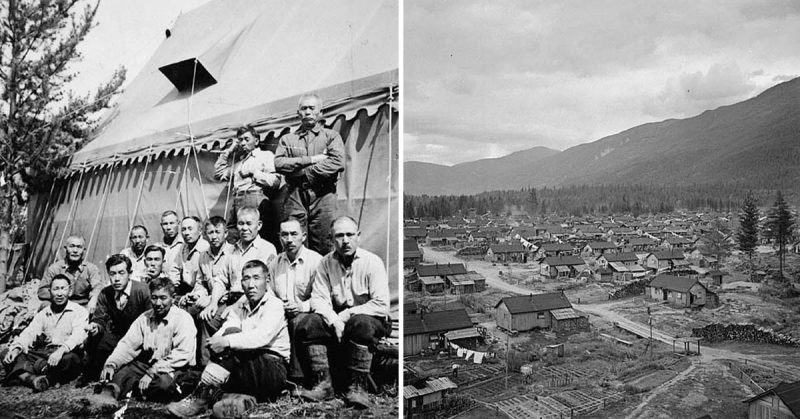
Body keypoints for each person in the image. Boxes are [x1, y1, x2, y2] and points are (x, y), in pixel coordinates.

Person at [166, 260, 290, 418]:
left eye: (256, 278)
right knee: (226, 340)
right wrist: (216, 340)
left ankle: (201, 399)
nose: (251, 284)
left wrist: (226, 342)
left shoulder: (274, 305)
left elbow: (261, 337)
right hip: (246, 364)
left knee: (231, 346)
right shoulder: (241, 305)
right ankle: (223, 396)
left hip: (272, 367)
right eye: (246, 279)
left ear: (267, 281)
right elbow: (228, 326)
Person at [294, 216, 390, 409]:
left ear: (358, 236)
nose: (345, 240)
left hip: (371, 322)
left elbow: (381, 304)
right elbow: (318, 299)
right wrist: (334, 320)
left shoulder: (372, 262)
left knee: (361, 323)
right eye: (339, 236)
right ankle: (324, 385)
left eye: (350, 234)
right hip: (338, 321)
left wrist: (346, 315)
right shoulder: (326, 263)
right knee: (309, 322)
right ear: (331, 239)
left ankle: (358, 387)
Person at [86, 277, 196, 411]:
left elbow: (183, 354)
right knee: (122, 372)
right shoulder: (145, 317)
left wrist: (152, 372)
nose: (158, 303)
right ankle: (109, 394)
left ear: (173, 298)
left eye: (163, 298)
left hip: (175, 367)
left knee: (163, 384)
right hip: (148, 363)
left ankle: (138, 389)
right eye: (154, 298)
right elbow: (127, 344)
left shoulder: (183, 319)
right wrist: (112, 363)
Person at [274, 94, 345, 255]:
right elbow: (279, 163)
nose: (307, 112)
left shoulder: (331, 136)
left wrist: (303, 172)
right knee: (294, 239)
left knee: (325, 241)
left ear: (320, 112)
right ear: (298, 113)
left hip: (324, 194)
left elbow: (337, 162)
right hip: (295, 195)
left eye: (312, 108)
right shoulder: (287, 139)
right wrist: (312, 159)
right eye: (304, 108)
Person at [2, 274, 88, 391]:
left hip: (65, 353)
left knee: (70, 359)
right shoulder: (44, 313)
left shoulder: (79, 311)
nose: (59, 293)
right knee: (7, 352)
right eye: (55, 289)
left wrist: (61, 350)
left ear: (70, 291)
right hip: (44, 354)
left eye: (63, 289)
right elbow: (30, 332)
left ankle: (24, 374)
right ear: (50, 291)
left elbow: (78, 336)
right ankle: (37, 377)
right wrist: (17, 348)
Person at [80, 254, 152, 384]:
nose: (117, 279)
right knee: (96, 340)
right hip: (118, 336)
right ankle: (95, 373)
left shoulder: (143, 291)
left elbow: (152, 321)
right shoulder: (106, 293)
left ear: (129, 274)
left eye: (121, 273)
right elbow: (100, 316)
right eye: (112, 274)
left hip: (140, 339)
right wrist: (96, 326)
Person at [268, 217, 322, 387]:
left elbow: (323, 296)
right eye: (285, 235)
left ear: (303, 236)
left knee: (298, 322)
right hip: (282, 313)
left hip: (309, 314)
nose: (289, 239)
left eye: (294, 234)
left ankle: (296, 379)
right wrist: (279, 307)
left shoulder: (316, 261)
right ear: (279, 237)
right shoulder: (275, 263)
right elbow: (269, 291)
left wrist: (301, 306)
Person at [214, 125, 282, 244]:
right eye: (240, 140)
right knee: (233, 234)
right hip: (237, 200)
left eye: (246, 139)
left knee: (260, 235)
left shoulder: (266, 156)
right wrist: (228, 151)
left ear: (256, 141)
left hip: (256, 198)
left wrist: (254, 173)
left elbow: (275, 181)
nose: (243, 143)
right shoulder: (239, 163)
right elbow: (218, 174)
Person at [196, 216, 241, 365]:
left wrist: (211, 300)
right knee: (187, 310)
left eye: (217, 232)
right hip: (210, 298)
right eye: (210, 232)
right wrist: (199, 295)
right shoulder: (203, 255)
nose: (214, 236)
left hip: (227, 300)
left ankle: (210, 363)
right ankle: (194, 362)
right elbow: (200, 282)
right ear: (204, 235)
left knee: (207, 317)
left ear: (226, 233)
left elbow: (232, 286)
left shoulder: (233, 253)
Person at [38, 235, 104, 313]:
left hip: (83, 306)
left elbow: (98, 287)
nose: (75, 250)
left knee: (99, 308)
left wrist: (94, 298)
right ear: (65, 249)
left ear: (84, 250)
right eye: (71, 246)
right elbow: (42, 291)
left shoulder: (91, 268)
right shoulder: (55, 268)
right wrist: (61, 294)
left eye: (79, 247)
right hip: (59, 305)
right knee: (45, 305)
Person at [169, 216, 210, 300]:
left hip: (202, 293)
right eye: (183, 229)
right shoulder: (183, 247)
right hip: (184, 290)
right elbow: (174, 269)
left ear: (200, 231)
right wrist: (172, 288)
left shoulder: (205, 249)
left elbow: (202, 281)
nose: (186, 233)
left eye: (190, 229)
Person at [232, 206, 277, 278]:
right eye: (241, 223)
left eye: (249, 224)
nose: (244, 228)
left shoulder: (267, 249)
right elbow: (221, 278)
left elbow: (269, 279)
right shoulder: (231, 250)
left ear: (259, 225)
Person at [158, 211, 183, 277]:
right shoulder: (157, 248)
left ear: (178, 223)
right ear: (161, 225)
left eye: (172, 223)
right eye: (165, 224)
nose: (168, 227)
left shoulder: (185, 246)